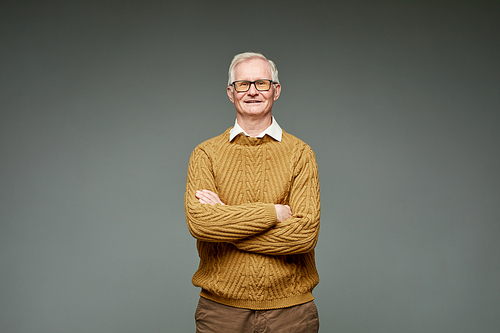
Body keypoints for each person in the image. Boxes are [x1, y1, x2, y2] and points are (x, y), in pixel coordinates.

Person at [184, 52, 321, 333]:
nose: (253, 92)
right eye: (243, 84)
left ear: (276, 90)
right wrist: (272, 213)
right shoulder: (205, 154)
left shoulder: (300, 154)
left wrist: (226, 220)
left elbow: (304, 235)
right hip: (220, 312)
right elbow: (201, 223)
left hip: (291, 313)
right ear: (231, 93)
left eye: (261, 83)